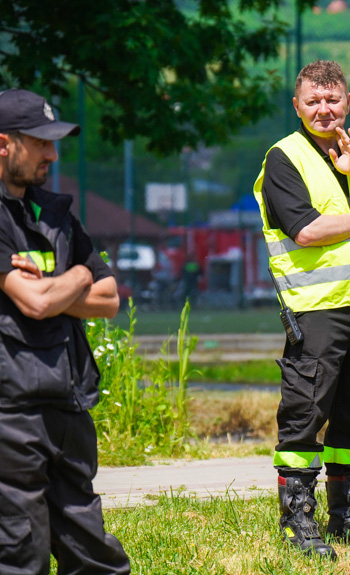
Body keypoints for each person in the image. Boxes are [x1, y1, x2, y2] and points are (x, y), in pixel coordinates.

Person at [252, 60, 350, 560]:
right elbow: (305, 229)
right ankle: (298, 520)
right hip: (315, 308)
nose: (324, 110)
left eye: (332, 99)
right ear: (296, 106)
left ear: (347, 103)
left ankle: (349, 517)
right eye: (313, 102)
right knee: (305, 413)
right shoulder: (284, 158)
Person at [0, 89, 130, 573]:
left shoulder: (55, 212)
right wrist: (76, 277)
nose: (52, 155)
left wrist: (61, 284)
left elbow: (109, 299)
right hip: (10, 412)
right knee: (20, 551)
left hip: (68, 400)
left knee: (91, 549)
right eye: (40, 143)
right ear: (4, 144)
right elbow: (35, 304)